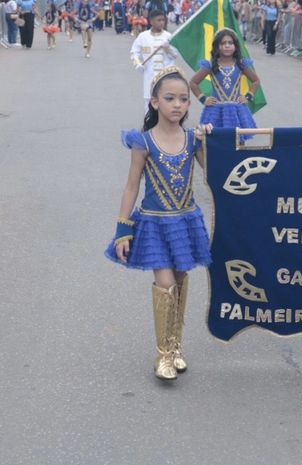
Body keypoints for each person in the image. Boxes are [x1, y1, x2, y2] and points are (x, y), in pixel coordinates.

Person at [105, 66, 213, 381]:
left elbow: (213, 173)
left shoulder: (193, 139)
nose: (177, 104)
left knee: (179, 283)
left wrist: (209, 143)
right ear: (154, 103)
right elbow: (131, 187)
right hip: (154, 224)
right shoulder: (143, 142)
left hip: (185, 222)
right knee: (165, 284)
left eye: (183, 99)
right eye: (169, 98)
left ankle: (176, 346)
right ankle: (163, 354)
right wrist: (122, 230)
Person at [189, 28, 260, 143]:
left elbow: (256, 81)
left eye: (230, 43)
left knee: (238, 141)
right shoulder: (210, 65)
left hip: (237, 111)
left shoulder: (241, 64)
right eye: (223, 43)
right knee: (215, 141)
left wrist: (248, 96)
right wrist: (203, 98)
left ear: (236, 46)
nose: (227, 46)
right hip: (216, 111)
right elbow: (193, 83)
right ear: (217, 46)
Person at [131, 9, 178, 110]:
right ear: (151, 21)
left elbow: (175, 55)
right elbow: (134, 52)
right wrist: (138, 63)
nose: (161, 22)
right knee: (149, 103)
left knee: (166, 102)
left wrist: (167, 48)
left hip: (166, 77)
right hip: (150, 77)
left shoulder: (168, 37)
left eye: (163, 20)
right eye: (158, 20)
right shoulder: (143, 36)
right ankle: (149, 125)